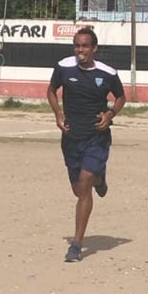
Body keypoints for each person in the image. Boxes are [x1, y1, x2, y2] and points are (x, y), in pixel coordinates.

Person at [47, 28, 125, 262]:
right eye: (77, 46)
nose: (80, 51)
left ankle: (77, 245)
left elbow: (121, 97)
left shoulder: (107, 73)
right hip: (71, 137)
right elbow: (51, 91)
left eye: (85, 46)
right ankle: (99, 178)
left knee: (85, 183)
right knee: (79, 190)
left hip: (96, 137)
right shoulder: (64, 67)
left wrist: (110, 114)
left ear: (94, 48)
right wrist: (58, 115)